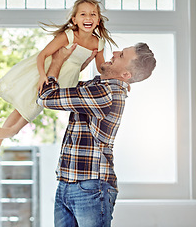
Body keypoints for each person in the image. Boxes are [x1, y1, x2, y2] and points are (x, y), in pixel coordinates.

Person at [37, 42, 156, 227]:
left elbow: (46, 97)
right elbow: (75, 86)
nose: (115, 52)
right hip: (70, 182)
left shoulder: (105, 94)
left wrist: (57, 61)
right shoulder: (100, 87)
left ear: (126, 75)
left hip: (90, 186)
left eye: (122, 55)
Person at [0, 0, 117, 160]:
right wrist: (43, 75)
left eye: (93, 14)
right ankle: (10, 133)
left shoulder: (98, 43)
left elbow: (101, 68)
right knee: (31, 105)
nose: (88, 18)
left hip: (65, 79)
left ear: (98, 20)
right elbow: (43, 55)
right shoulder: (69, 36)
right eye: (83, 14)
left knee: (28, 106)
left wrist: (117, 76)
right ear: (75, 20)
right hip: (47, 72)